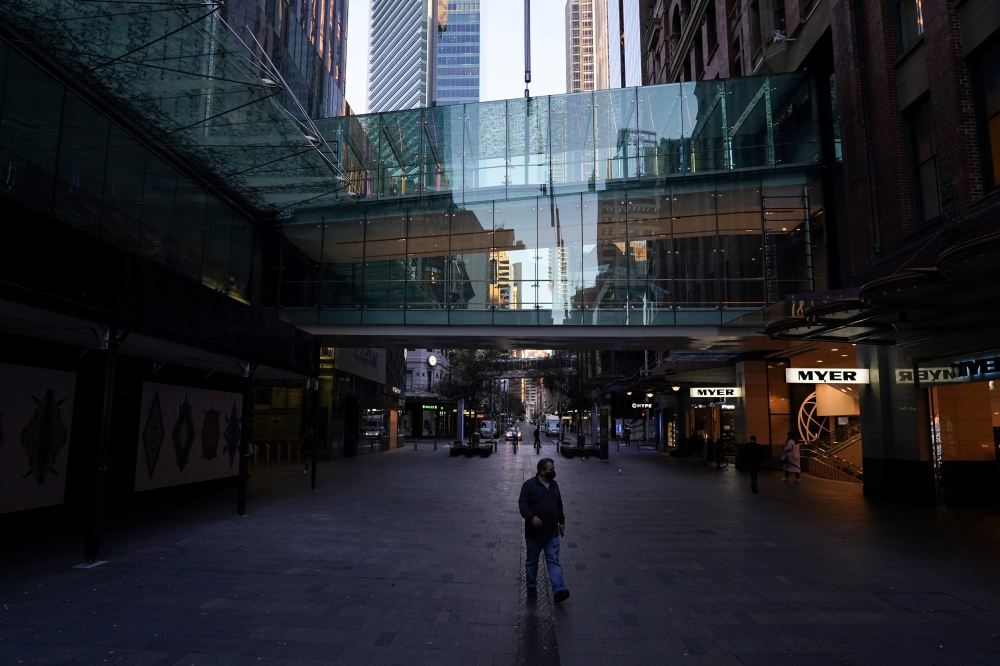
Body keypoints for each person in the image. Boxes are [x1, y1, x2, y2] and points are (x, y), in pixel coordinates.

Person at [517, 458, 570, 604]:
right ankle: (531, 586)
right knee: (532, 561)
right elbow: (522, 505)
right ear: (542, 471)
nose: (553, 472)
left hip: (552, 532)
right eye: (551, 470)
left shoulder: (554, 485)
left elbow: (559, 503)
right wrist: (531, 517)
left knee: (553, 561)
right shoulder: (529, 485)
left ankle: (558, 591)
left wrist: (562, 521)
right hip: (534, 534)